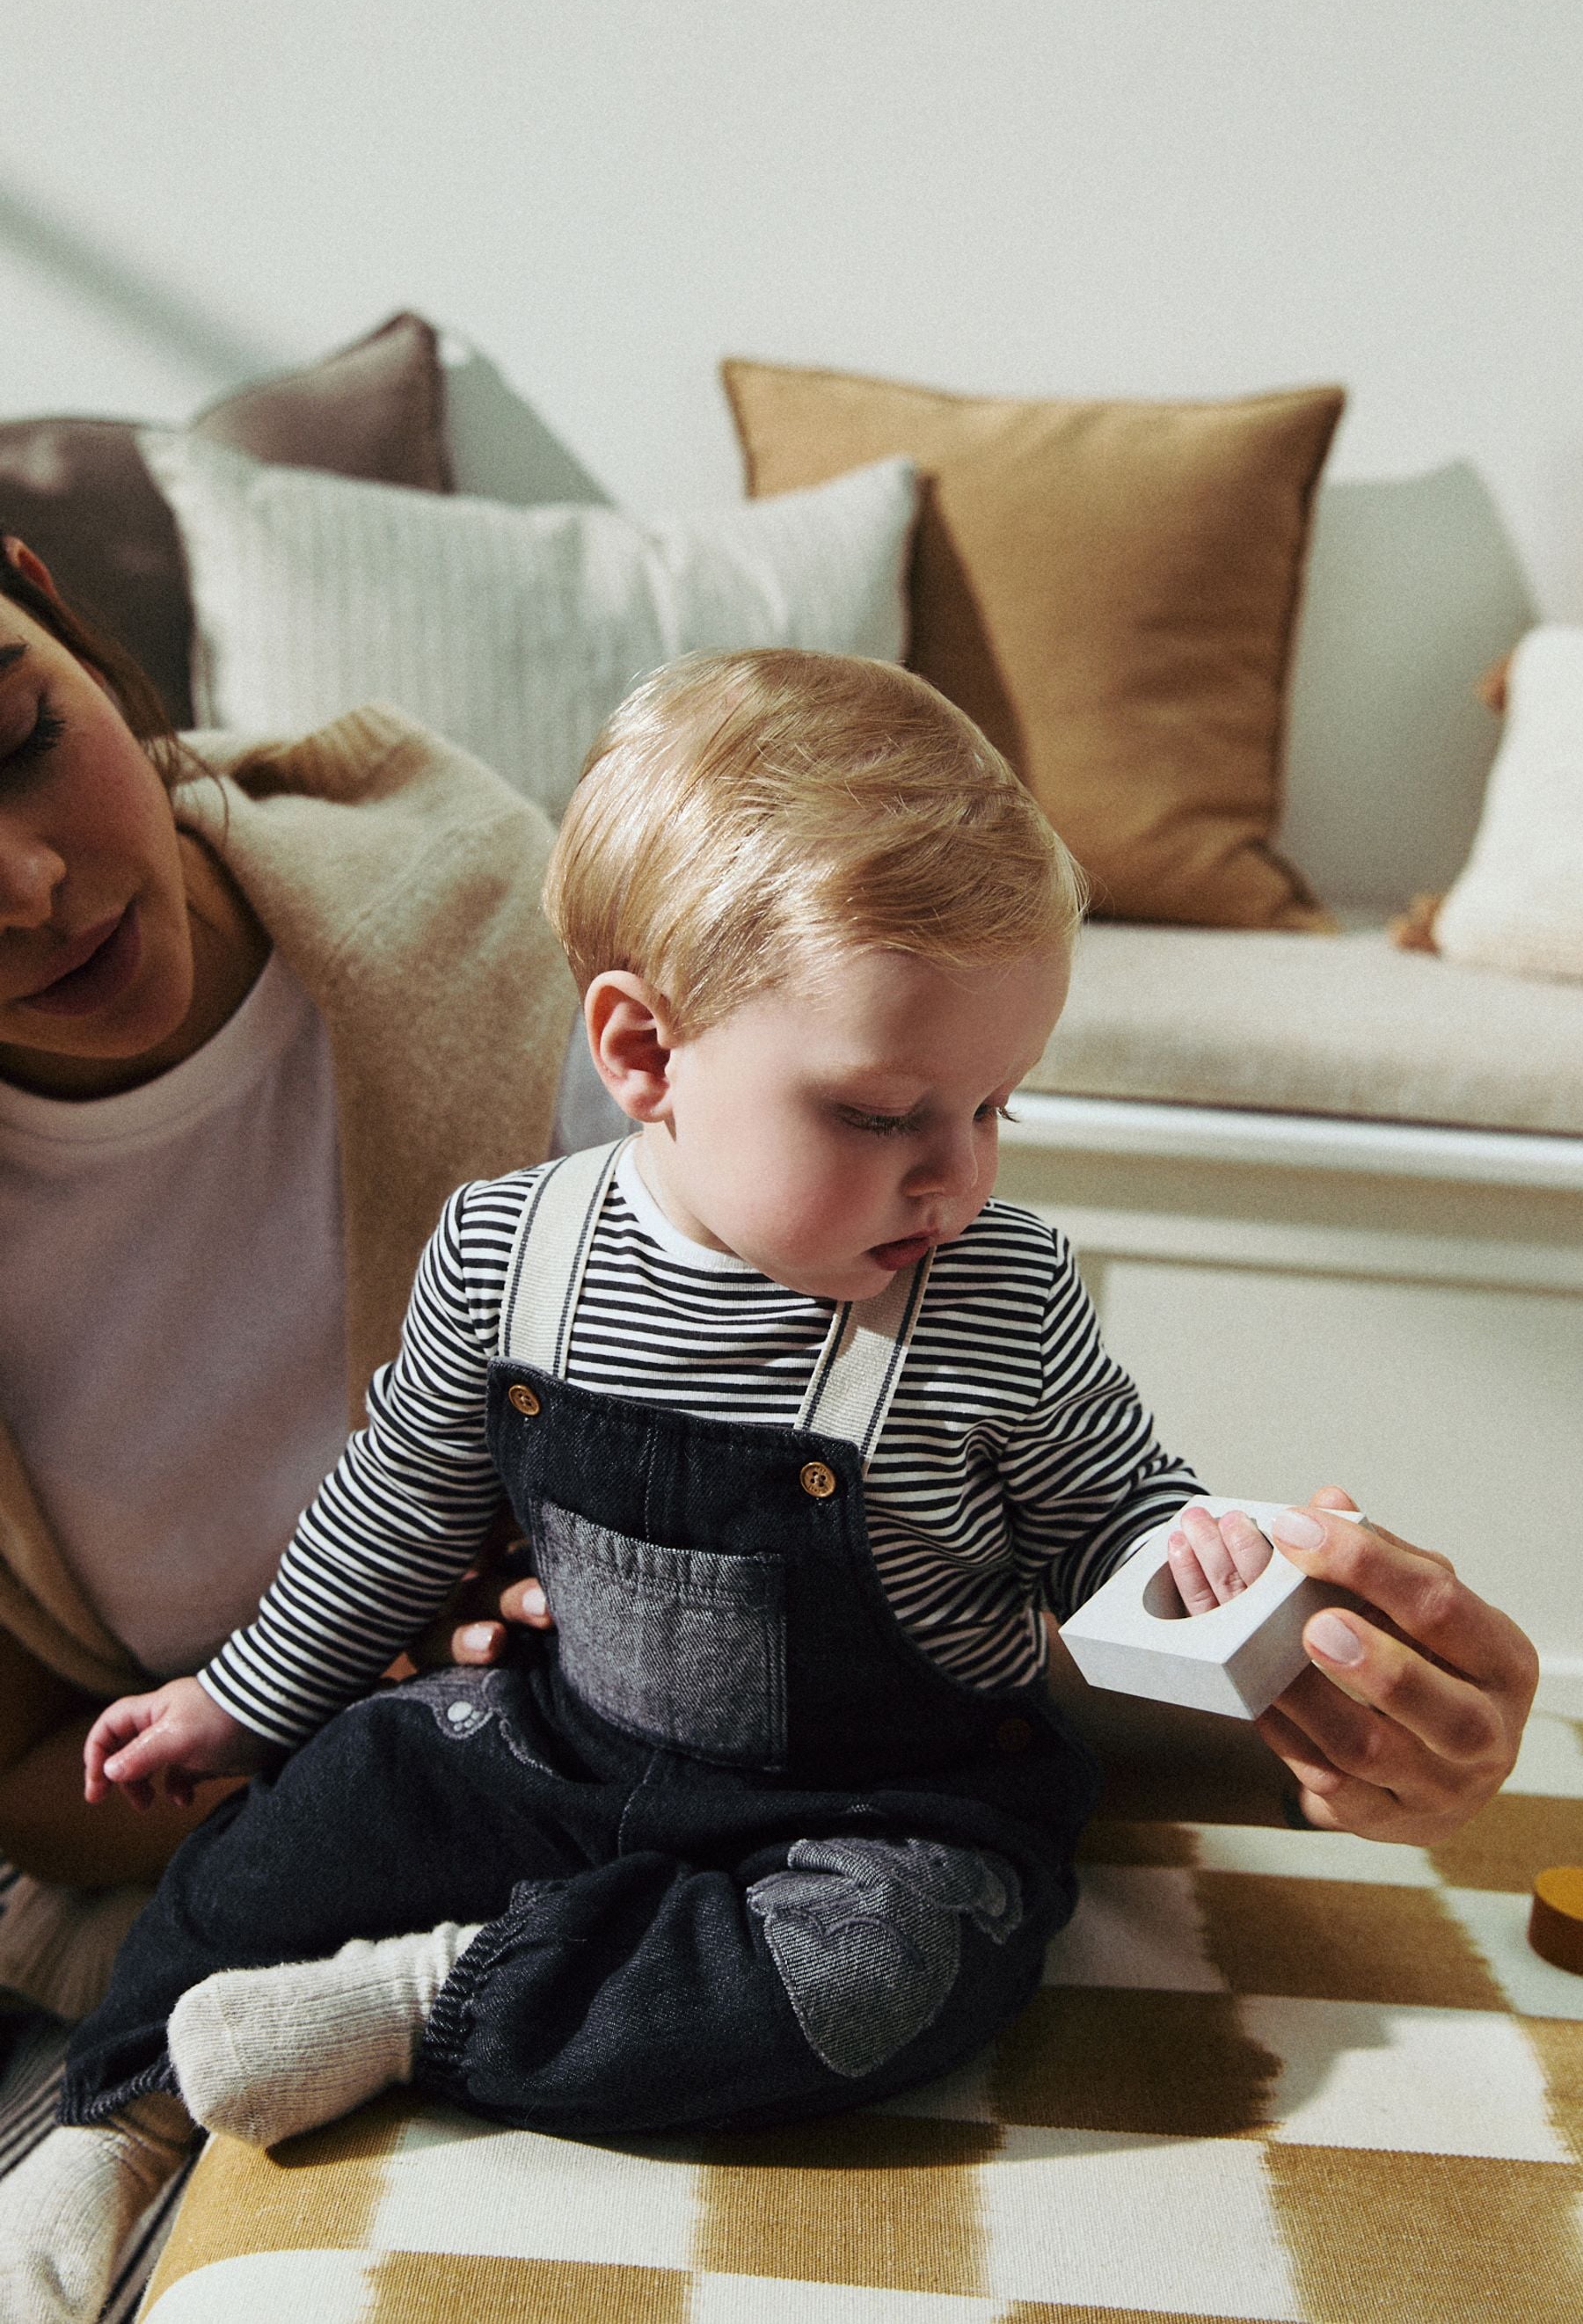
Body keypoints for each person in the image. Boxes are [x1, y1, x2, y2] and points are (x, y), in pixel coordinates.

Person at [0, 648, 1540, 2323]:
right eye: (881, 1114)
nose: (954, 1172)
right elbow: (391, 1515)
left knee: (879, 1980)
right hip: (562, 1746)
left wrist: (1218, 1567)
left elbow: (1115, 1512)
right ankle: (121, 2110)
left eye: (993, 1104)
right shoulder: (511, 1254)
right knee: (280, 1841)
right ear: (642, 1050)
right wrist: (240, 1703)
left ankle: (426, 2005)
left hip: (883, 1814)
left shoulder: (996, 1298)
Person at [0, 538, 578, 2162]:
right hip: (230, 1891)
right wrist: (318, 1729)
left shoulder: (486, 909)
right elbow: (25, 1784)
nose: (30, 887)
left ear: (56, 612)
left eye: (22, 740)